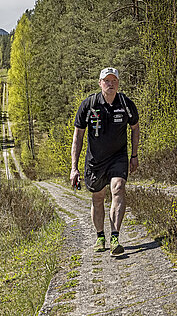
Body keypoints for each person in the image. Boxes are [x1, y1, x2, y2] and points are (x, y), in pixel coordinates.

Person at [70, 67, 140, 256]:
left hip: (118, 157)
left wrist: (134, 155)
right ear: (100, 83)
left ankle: (115, 237)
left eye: (114, 81)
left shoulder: (126, 103)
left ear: (118, 83)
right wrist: (74, 168)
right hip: (95, 161)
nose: (110, 84)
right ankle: (100, 237)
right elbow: (78, 137)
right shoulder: (89, 105)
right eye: (107, 81)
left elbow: (135, 128)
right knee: (98, 197)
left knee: (117, 188)